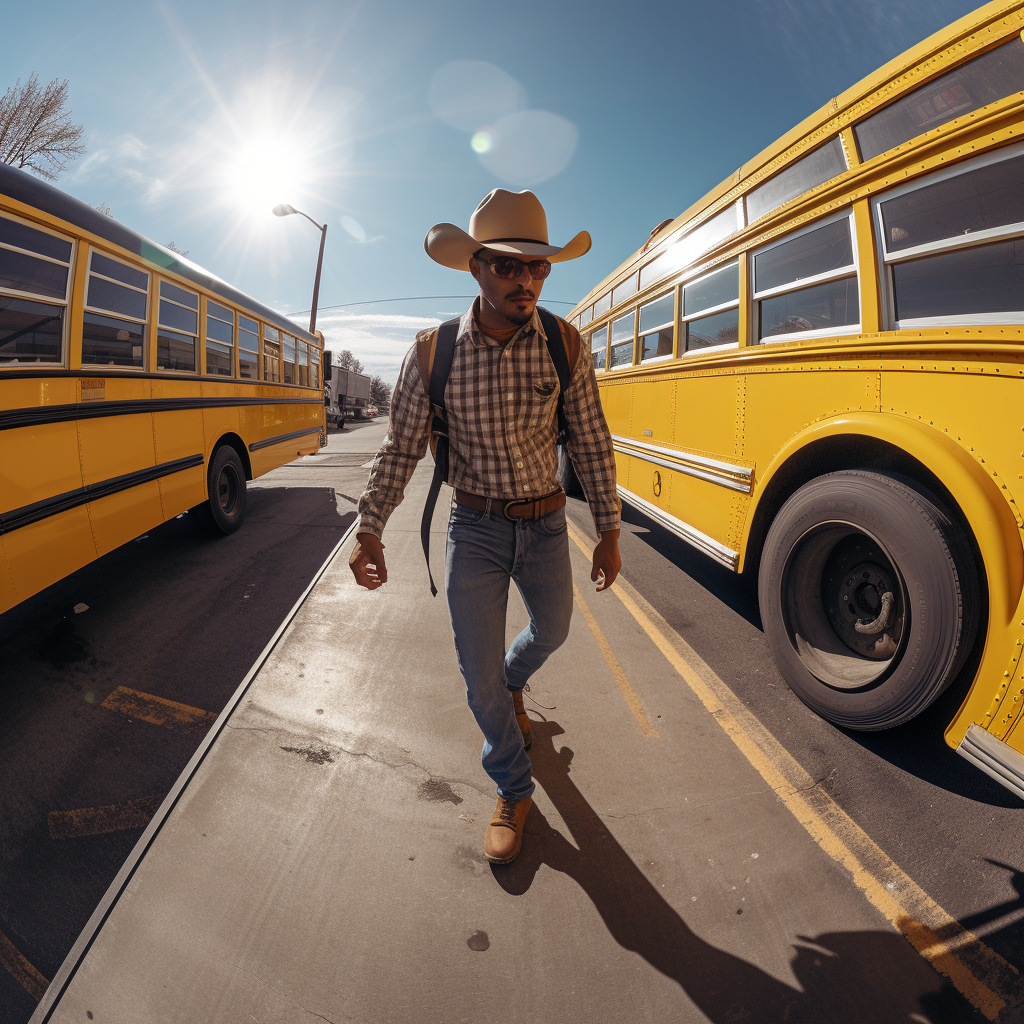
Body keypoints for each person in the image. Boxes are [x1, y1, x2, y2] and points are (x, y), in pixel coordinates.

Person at [350, 188, 621, 864]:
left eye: (539, 268)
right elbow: (401, 447)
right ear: (474, 268)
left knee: (552, 632)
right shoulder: (433, 353)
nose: (526, 280)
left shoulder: (563, 344)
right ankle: (513, 783)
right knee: (477, 681)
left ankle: (513, 682)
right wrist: (369, 526)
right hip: (473, 527)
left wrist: (611, 529)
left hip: (547, 528)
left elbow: (590, 439)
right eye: (507, 266)